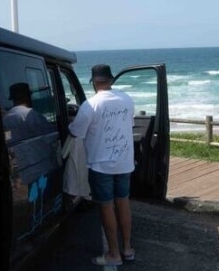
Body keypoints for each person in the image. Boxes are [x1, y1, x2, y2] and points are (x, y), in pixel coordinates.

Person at [68, 64, 135, 266]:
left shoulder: (90, 105)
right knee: (123, 202)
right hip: (125, 163)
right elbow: (128, 125)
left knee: (106, 207)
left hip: (101, 165)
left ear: (95, 82)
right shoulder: (127, 100)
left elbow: (76, 133)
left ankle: (113, 253)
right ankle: (127, 249)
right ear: (111, 80)